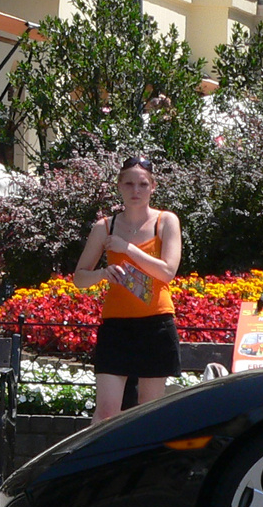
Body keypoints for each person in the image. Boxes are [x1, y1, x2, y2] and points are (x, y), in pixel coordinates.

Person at [72, 156, 183, 421]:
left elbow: (167, 271)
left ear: (153, 187)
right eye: (129, 184)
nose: (136, 191)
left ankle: (145, 463)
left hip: (156, 324)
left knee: (148, 412)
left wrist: (127, 249)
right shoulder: (105, 226)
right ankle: (98, 462)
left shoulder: (166, 222)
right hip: (116, 326)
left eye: (143, 184)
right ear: (119, 186)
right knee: (107, 412)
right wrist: (102, 273)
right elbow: (79, 277)